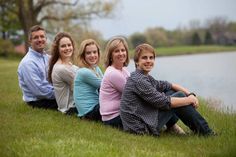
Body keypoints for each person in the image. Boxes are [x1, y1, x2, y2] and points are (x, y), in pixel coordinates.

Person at [120, 43, 215, 136]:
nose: (148, 61)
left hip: (141, 121)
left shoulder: (141, 76)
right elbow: (164, 102)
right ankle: (207, 133)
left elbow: (168, 85)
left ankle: (173, 127)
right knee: (179, 96)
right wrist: (189, 100)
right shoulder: (139, 80)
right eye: (144, 58)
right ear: (137, 62)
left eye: (151, 58)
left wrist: (190, 94)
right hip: (140, 129)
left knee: (172, 92)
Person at [17, 25, 57, 109]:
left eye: (42, 36)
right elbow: (40, 91)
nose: (40, 40)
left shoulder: (47, 58)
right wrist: (61, 93)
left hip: (49, 96)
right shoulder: (28, 63)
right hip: (38, 101)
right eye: (36, 37)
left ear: (46, 39)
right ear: (30, 41)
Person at [99, 37, 130, 128]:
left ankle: (169, 125)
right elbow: (132, 94)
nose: (121, 53)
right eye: (116, 51)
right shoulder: (113, 73)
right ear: (110, 55)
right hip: (113, 118)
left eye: (123, 50)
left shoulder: (124, 70)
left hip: (120, 113)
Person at [48, 32, 79, 115]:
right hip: (70, 109)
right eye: (63, 46)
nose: (67, 48)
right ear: (57, 49)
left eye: (69, 45)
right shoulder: (61, 68)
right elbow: (82, 86)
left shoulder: (68, 65)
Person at [74, 39, 103, 121]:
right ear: (83, 55)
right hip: (89, 113)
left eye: (94, 52)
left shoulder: (95, 68)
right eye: (88, 53)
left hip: (95, 107)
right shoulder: (84, 72)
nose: (92, 55)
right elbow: (105, 85)